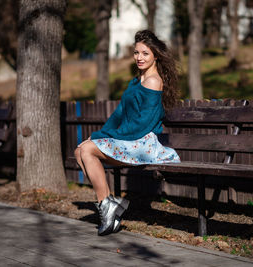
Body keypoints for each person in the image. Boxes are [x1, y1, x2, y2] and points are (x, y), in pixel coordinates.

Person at [74, 30, 181, 236]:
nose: (139, 58)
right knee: (80, 151)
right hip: (131, 140)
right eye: (136, 53)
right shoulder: (136, 81)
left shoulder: (153, 82)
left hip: (143, 143)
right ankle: (109, 204)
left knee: (87, 151)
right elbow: (119, 114)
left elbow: (142, 125)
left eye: (145, 53)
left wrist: (100, 137)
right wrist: (100, 134)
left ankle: (108, 207)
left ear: (156, 56)